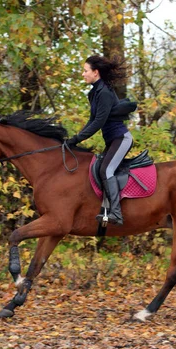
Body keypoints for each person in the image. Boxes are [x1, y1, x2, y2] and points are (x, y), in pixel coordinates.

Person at [66, 55, 136, 226]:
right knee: (97, 168)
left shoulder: (104, 92)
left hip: (121, 138)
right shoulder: (94, 93)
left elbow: (99, 122)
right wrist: (75, 138)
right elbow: (92, 119)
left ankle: (116, 214)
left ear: (95, 72)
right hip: (112, 140)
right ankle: (104, 211)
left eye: (85, 71)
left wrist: (77, 138)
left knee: (106, 170)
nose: (83, 74)